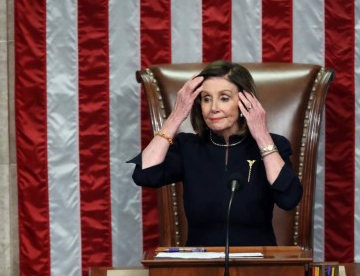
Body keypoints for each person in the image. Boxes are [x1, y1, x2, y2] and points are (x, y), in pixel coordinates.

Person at [128, 60, 302, 246]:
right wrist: (176, 115)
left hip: (256, 267)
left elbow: (289, 199)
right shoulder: (187, 146)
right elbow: (144, 174)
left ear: (245, 102)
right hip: (200, 268)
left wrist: (261, 135)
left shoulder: (273, 144)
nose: (213, 108)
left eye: (224, 98)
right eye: (206, 98)